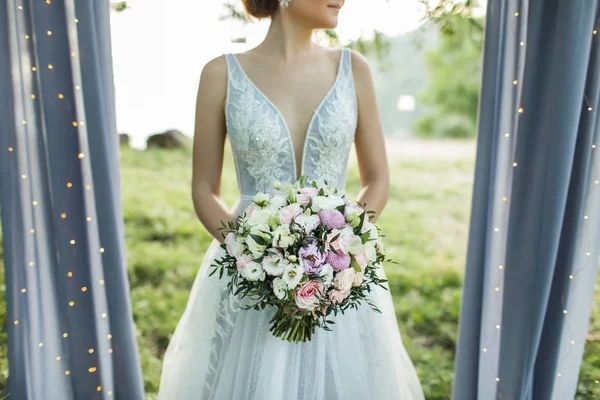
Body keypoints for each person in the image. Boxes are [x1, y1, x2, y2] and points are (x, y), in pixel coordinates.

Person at [156, 1, 425, 399]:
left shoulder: (355, 70)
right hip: (245, 271)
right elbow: (203, 190)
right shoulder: (220, 73)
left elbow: (378, 179)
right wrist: (253, 259)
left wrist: (342, 256)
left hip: (338, 275)